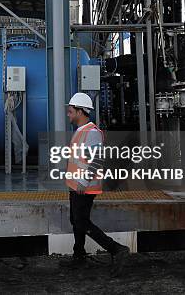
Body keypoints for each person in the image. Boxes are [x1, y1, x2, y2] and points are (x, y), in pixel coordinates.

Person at [59, 92, 130, 276]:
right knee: (76, 221)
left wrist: (83, 181)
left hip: (85, 187)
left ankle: (117, 249)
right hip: (76, 186)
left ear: (80, 111)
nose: (68, 114)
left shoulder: (91, 133)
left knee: (81, 222)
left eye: (70, 111)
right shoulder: (81, 131)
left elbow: (98, 159)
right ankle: (79, 257)